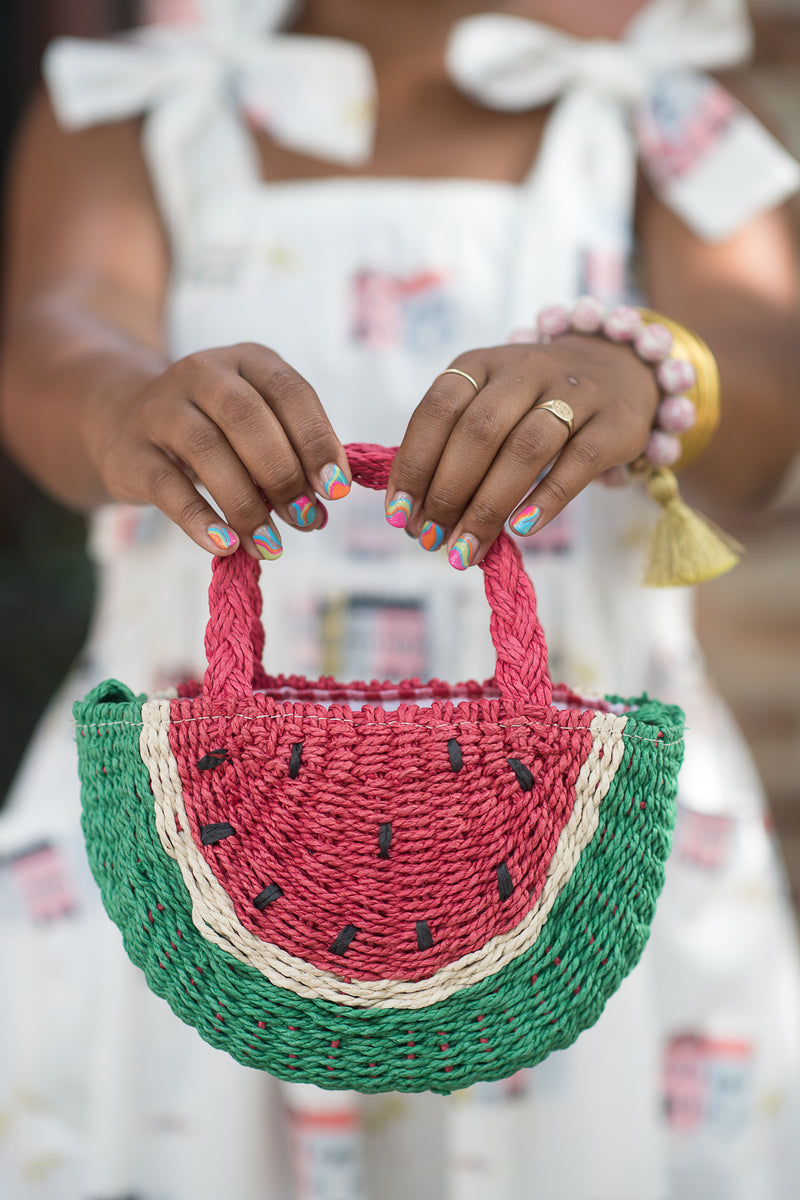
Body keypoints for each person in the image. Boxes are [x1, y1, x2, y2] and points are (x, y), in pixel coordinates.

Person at [1, 0, 800, 1197]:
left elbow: (767, 381)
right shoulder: (136, 103)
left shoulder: (660, 111)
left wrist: (646, 373)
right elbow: (54, 339)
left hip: (581, 845)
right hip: (177, 843)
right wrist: (117, 406)